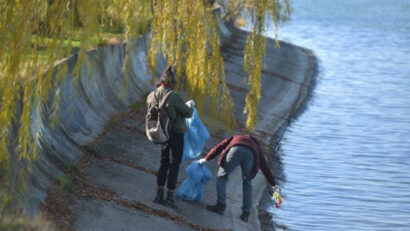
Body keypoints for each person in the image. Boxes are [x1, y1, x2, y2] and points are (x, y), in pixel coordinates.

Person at [199, 134, 276, 222]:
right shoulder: (256, 146)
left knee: (222, 177)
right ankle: (245, 214)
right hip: (250, 154)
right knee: (247, 182)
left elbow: (219, 147)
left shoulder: (235, 137)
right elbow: (264, 166)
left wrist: (206, 158)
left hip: (236, 149)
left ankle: (220, 205)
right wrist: (273, 183)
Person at [148, 66, 194, 208]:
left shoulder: (152, 95)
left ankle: (159, 194)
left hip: (161, 132)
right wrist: (191, 105)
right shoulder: (174, 96)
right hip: (175, 133)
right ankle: (169, 197)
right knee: (175, 164)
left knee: (164, 162)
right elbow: (187, 113)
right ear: (173, 82)